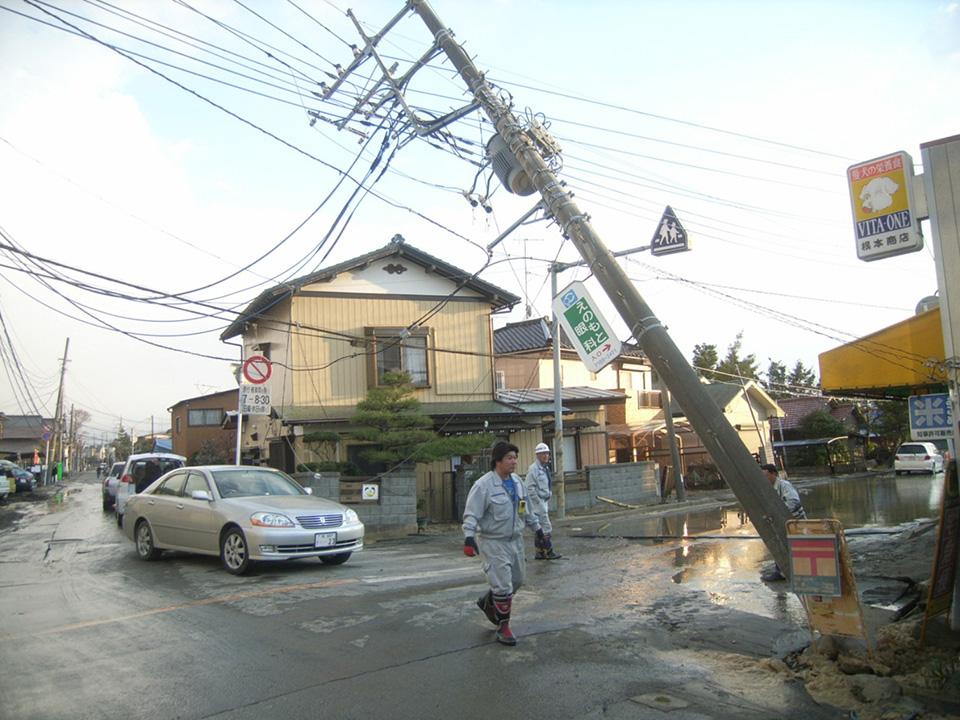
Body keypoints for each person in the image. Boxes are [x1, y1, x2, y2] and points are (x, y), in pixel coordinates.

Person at [462, 441, 544, 646]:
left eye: (515, 457)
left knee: (517, 580)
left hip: (515, 541)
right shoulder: (483, 485)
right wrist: (469, 537)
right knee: (503, 586)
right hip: (493, 542)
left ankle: (489, 602)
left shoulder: (517, 482)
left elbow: (525, 509)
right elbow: (471, 514)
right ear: (497, 460)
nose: (514, 461)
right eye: (509, 458)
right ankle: (503, 627)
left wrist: (538, 528)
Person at [759, 463, 806, 582]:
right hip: (780, 522)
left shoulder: (784, 485)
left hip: (795, 521)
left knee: (797, 547)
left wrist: (780, 514)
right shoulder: (767, 488)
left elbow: (794, 502)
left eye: (766, 475)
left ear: (774, 474)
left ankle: (800, 572)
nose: (764, 479)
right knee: (779, 544)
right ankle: (780, 571)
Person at [525, 442, 561, 560]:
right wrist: (538, 502)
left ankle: (539, 552)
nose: (546, 456)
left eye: (547, 453)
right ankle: (548, 551)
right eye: (543, 454)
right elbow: (529, 488)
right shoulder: (533, 469)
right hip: (538, 503)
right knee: (546, 527)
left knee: (539, 527)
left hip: (544, 501)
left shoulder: (545, 468)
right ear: (537, 455)